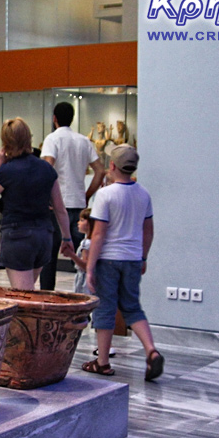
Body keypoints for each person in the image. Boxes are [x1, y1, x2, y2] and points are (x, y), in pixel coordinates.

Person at [82, 144, 163, 381]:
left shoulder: (105, 195)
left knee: (105, 308)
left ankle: (103, 362)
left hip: (108, 259)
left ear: (113, 166)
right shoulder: (143, 194)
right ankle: (151, 350)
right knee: (132, 307)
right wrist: (143, 256)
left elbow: (98, 234)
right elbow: (148, 231)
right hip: (132, 259)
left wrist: (89, 267)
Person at [0, 117, 75, 290]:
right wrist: (67, 237)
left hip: (18, 236)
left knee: (23, 296)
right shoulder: (46, 168)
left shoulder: (8, 170)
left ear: (6, 142)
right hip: (43, 235)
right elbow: (60, 209)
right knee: (27, 289)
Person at [40, 101, 106, 290]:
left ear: (54, 119)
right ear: (73, 118)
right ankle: (88, 295)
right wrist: (87, 194)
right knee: (83, 256)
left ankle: (47, 299)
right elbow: (100, 171)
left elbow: (47, 167)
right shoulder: (84, 140)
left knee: (49, 257)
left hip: (57, 205)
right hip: (78, 204)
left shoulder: (52, 139)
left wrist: (46, 196)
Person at [70, 208, 93, 295]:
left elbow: (85, 265)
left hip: (84, 279)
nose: (78, 223)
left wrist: (72, 255)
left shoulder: (86, 244)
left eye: (82, 220)